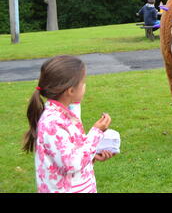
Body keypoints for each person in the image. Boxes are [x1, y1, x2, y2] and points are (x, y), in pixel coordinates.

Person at [23, 55, 113, 193]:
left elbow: (70, 152)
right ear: (70, 91)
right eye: (83, 83)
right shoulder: (52, 123)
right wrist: (96, 132)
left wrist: (91, 156)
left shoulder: (65, 115)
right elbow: (71, 164)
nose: (85, 86)